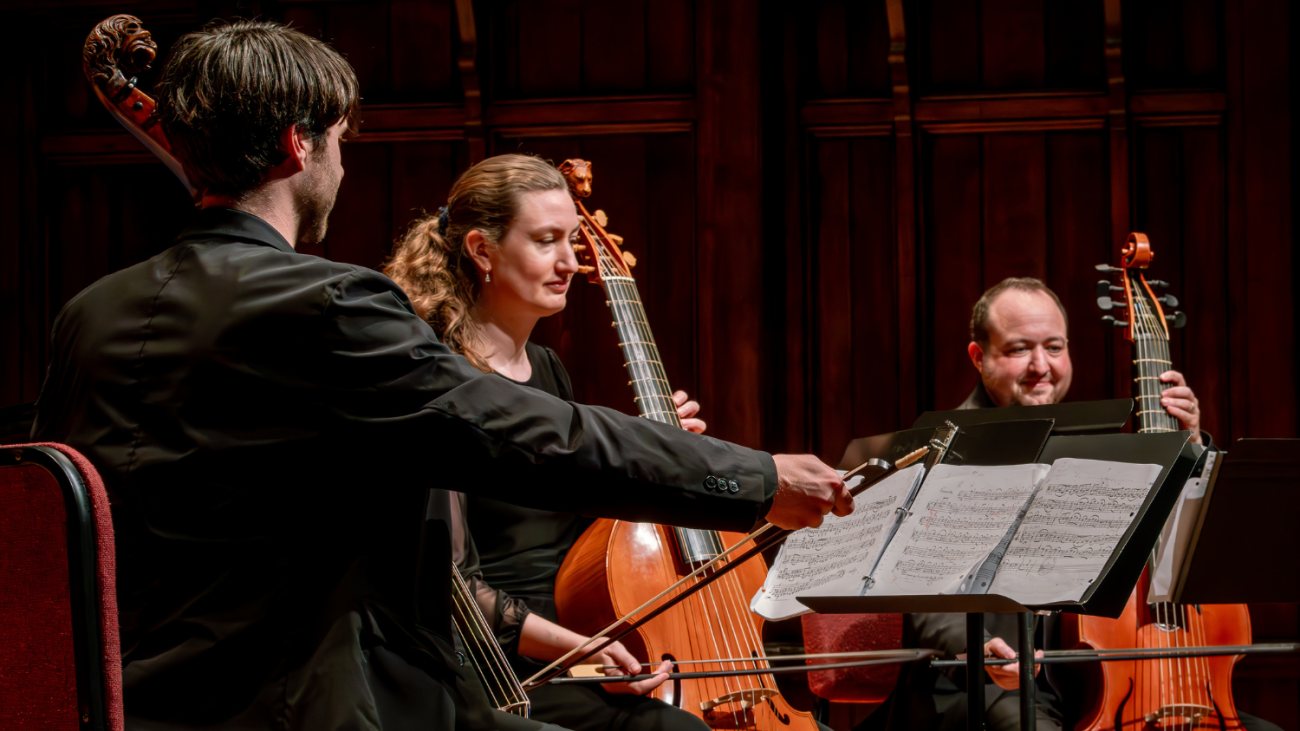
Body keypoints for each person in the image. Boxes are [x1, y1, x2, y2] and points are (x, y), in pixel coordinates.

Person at [31, 21, 852, 731]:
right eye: (340, 143)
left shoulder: (89, 315)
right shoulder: (332, 304)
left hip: (126, 707)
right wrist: (754, 478)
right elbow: (529, 432)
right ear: (297, 144)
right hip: (312, 704)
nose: (342, 168)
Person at [384, 154, 722, 731]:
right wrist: (580, 648)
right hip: (493, 667)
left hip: (578, 638)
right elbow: (455, 588)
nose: (570, 261)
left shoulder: (545, 368)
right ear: (482, 250)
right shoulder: (441, 382)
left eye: (572, 239)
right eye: (546, 241)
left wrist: (659, 459)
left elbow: (571, 517)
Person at [859, 277, 1275, 731]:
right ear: (979, 358)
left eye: (1054, 348)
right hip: (987, 682)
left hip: (1091, 678)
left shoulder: (1094, 446)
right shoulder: (942, 450)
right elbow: (922, 593)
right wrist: (979, 648)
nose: (1042, 365)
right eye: (1019, 349)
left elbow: (1178, 546)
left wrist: (1192, 449)